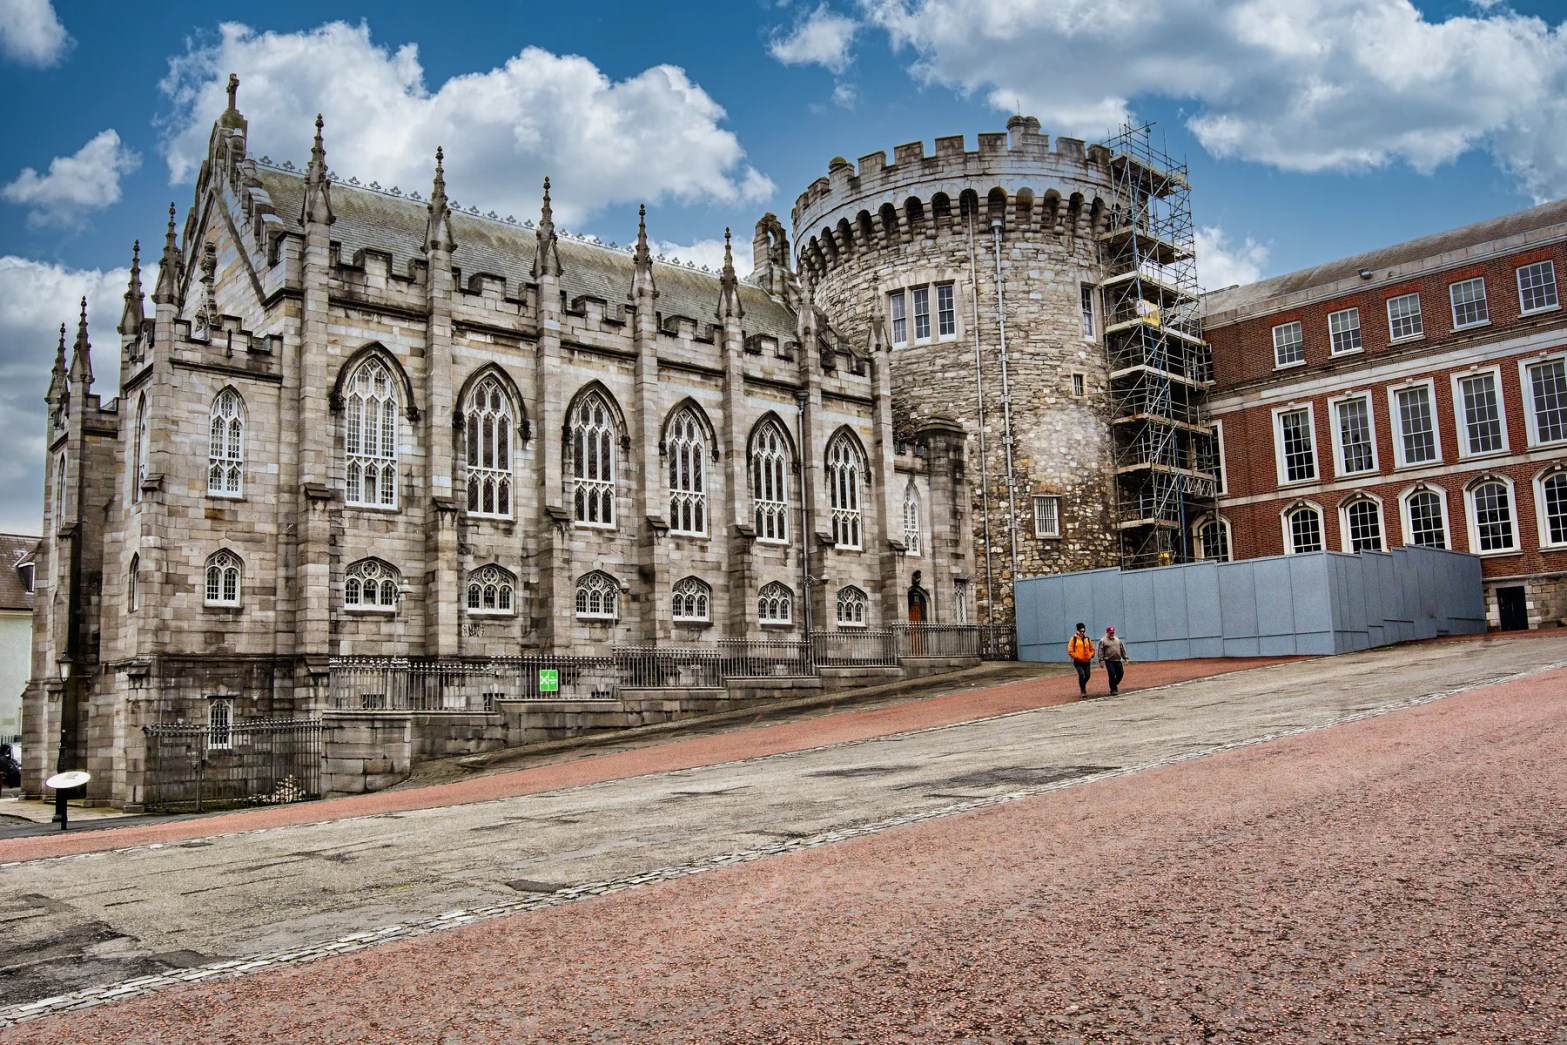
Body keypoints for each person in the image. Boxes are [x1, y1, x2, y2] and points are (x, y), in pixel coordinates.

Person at [1067, 622, 1095, 696]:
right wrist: (1076, 656)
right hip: (1078, 662)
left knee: (1088, 675)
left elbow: (1092, 649)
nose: (1082, 632)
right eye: (1081, 631)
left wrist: (1090, 655)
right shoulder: (1074, 639)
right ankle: (1083, 690)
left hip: (1087, 661)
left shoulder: (1087, 639)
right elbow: (1070, 650)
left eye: (1083, 631)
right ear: (1077, 631)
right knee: (1081, 674)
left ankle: (1082, 685)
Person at [1099, 626, 1128, 695]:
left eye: (1112, 633)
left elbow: (1122, 649)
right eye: (1110, 633)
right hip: (1109, 660)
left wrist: (1125, 658)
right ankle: (1113, 689)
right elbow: (1101, 651)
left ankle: (1114, 684)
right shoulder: (1103, 641)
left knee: (1121, 673)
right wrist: (1101, 660)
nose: (1112, 634)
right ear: (1107, 633)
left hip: (1117, 660)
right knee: (1112, 674)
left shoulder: (1117, 640)